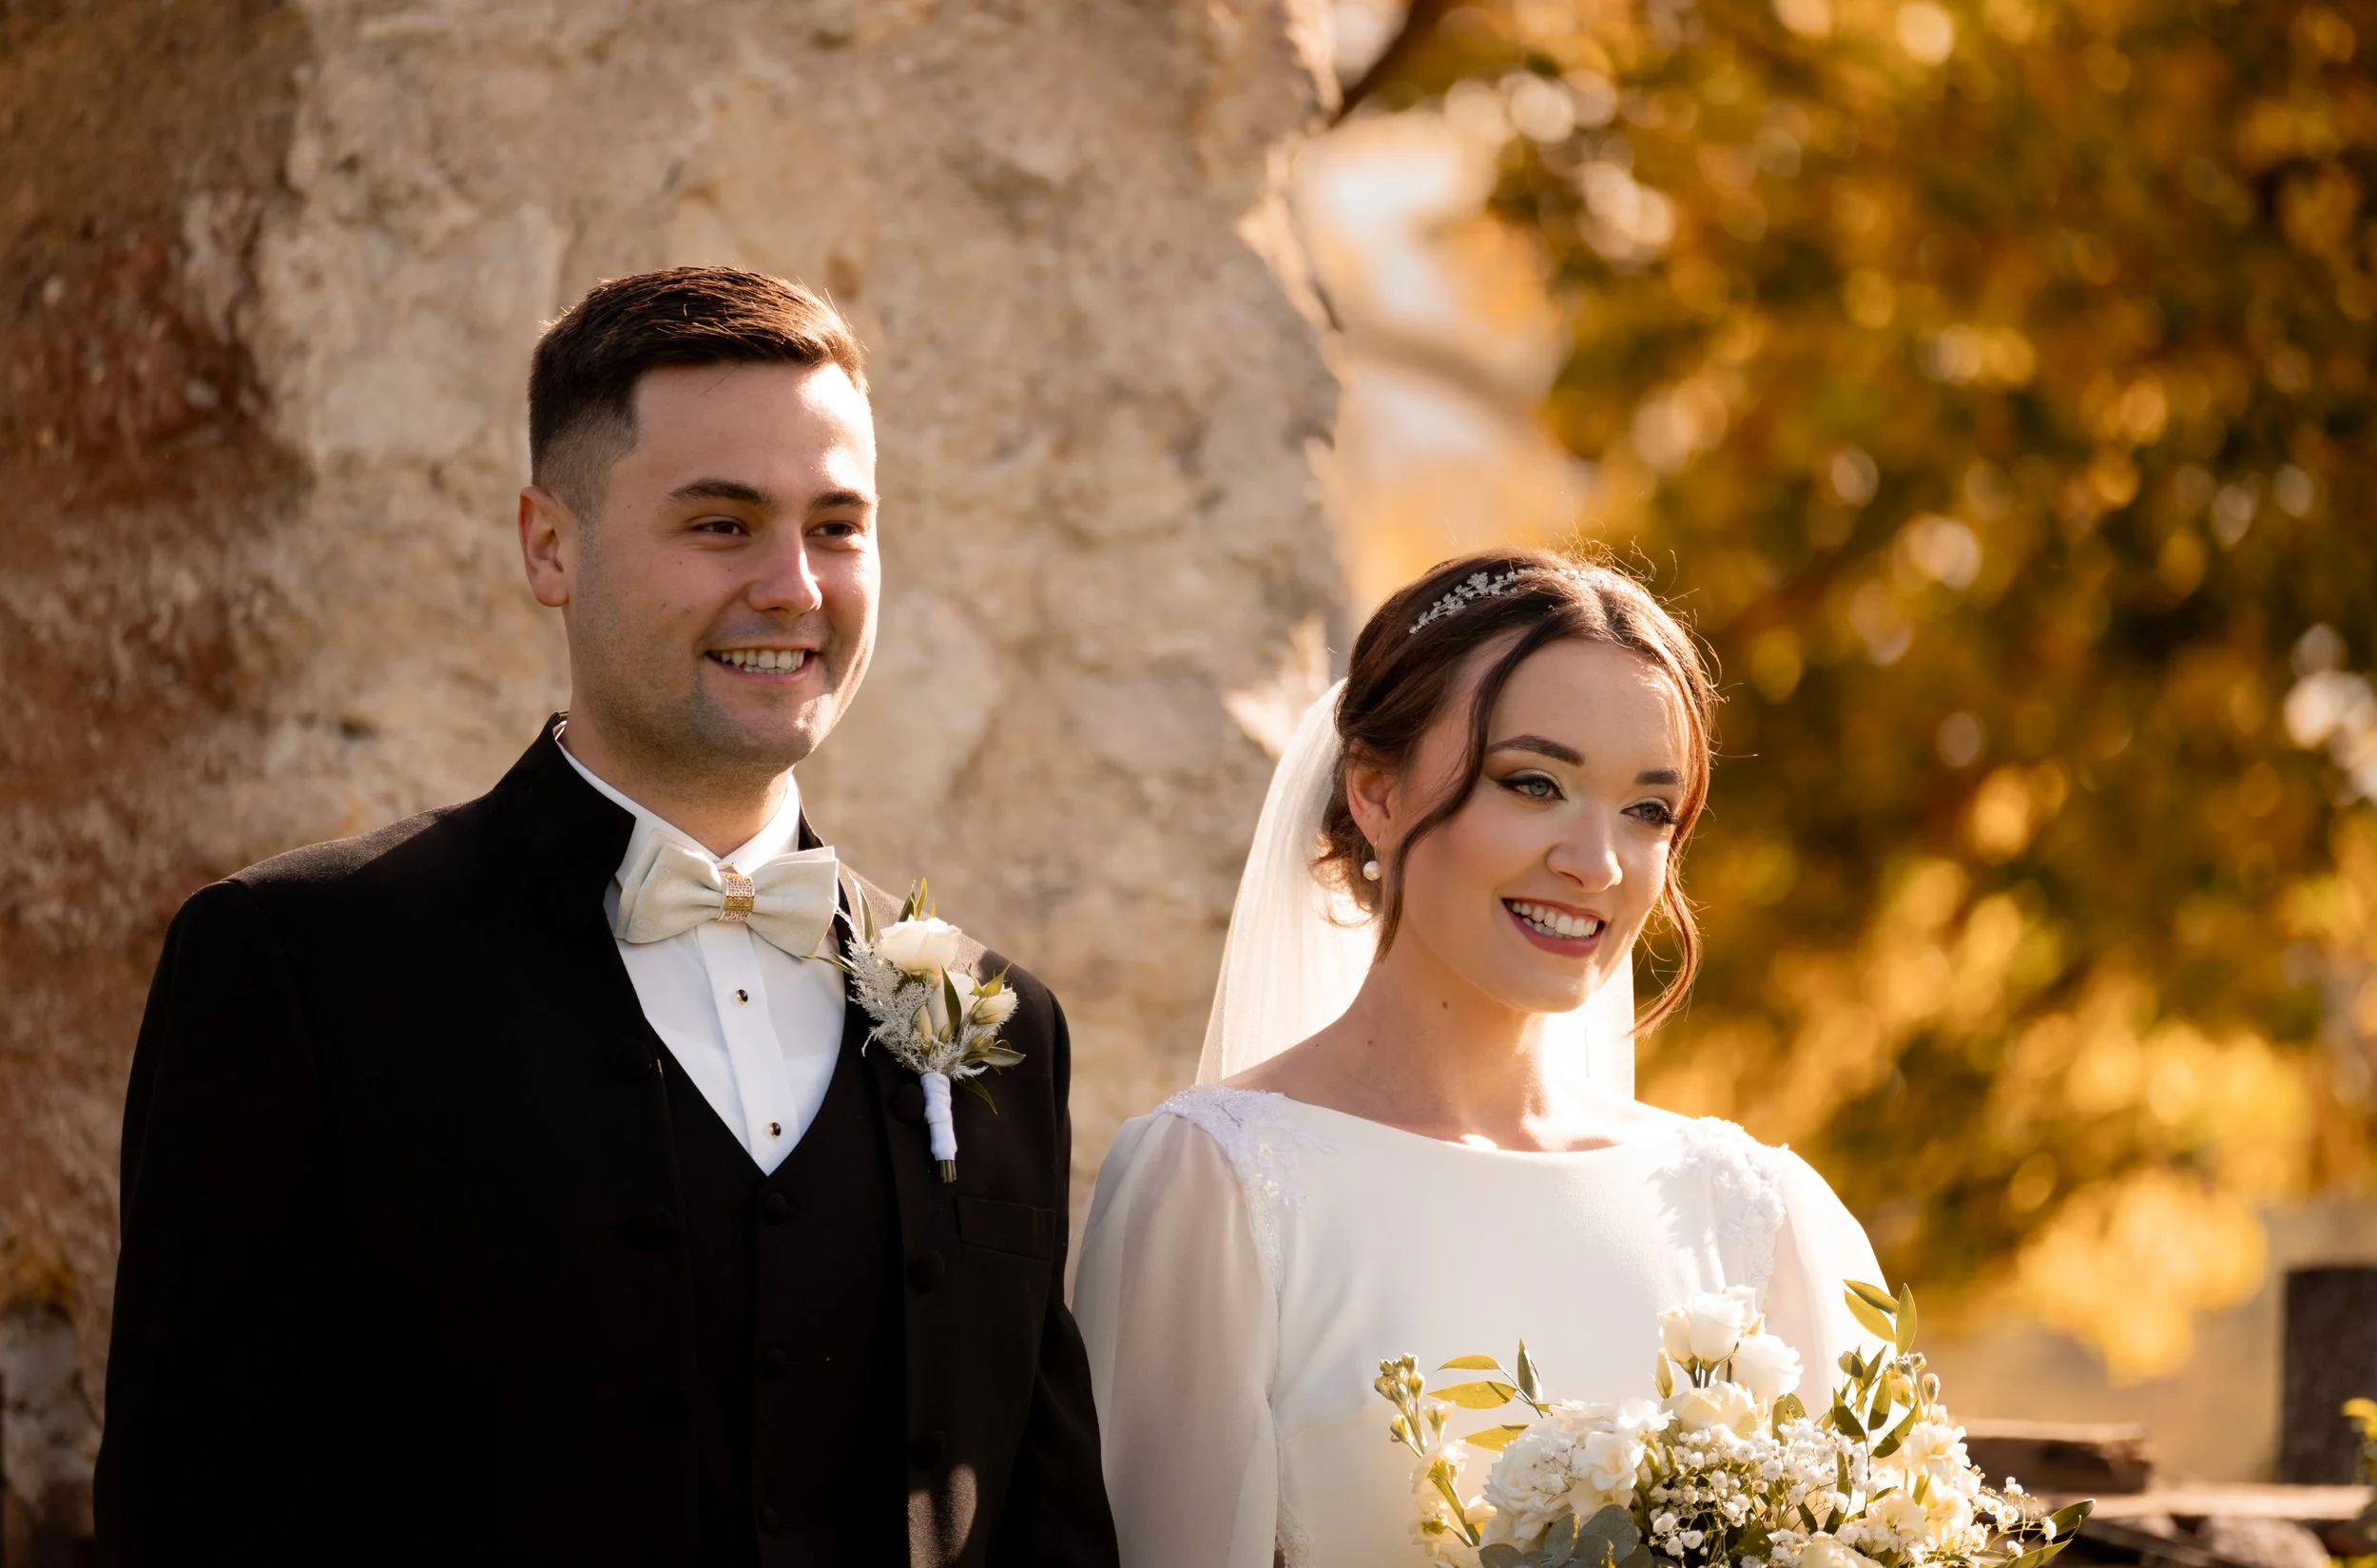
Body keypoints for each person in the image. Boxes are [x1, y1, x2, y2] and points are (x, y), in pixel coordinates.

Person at [95, 267, 1119, 1568]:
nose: (796, 586)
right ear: (548, 546)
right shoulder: (299, 968)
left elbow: (1049, 1534)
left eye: (839, 524)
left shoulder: (1001, 1024)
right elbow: (197, 1524)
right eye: (722, 523)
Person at [1074, 550, 1884, 1568]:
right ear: (1373, 791)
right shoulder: (1218, 1182)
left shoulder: (1754, 1212)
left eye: (1646, 809)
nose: (1595, 862)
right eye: (1533, 783)